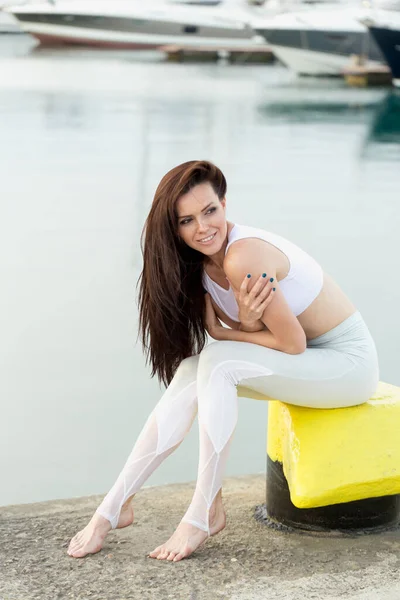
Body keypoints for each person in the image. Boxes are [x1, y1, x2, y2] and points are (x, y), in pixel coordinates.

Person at [67, 160, 379, 562]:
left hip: (346, 365)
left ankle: (203, 512)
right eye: (187, 220)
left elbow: (293, 342)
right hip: (309, 362)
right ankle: (112, 508)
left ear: (225, 204)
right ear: (174, 228)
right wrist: (240, 329)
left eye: (210, 211)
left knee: (219, 360)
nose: (203, 228)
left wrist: (231, 331)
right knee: (191, 369)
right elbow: (270, 339)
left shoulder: (242, 256)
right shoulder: (196, 268)